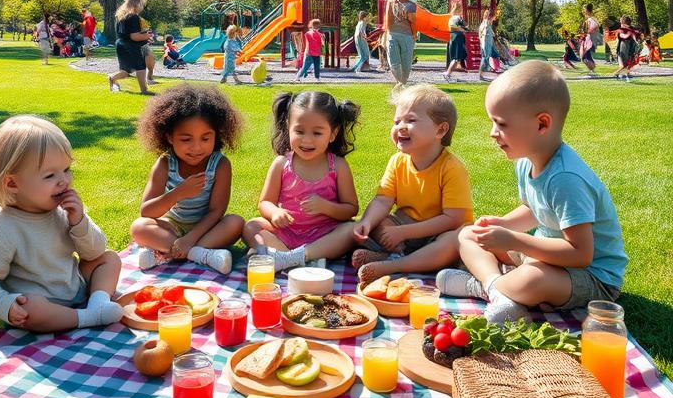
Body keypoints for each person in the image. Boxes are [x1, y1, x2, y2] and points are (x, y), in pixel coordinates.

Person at [437, 61, 626, 324]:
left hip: (591, 277)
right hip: (546, 257)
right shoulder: (527, 160)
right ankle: (498, 289)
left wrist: (514, 241)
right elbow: (534, 209)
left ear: (541, 125)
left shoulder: (566, 178)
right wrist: (503, 225)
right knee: (468, 234)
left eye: (501, 124)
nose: (493, 133)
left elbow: (581, 254)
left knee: (533, 278)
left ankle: (483, 286)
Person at [0, 115, 123, 331]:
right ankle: (89, 317)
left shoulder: (64, 210)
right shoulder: (3, 229)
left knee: (109, 259)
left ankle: (98, 303)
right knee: (32, 308)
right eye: (50, 175)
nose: (63, 180)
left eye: (67, 170)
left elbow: (94, 252)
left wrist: (79, 222)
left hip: (75, 286)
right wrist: (7, 306)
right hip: (45, 306)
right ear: (12, 183)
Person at [351, 84, 473, 287]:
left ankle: (393, 264)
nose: (400, 127)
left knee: (456, 239)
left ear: (440, 130)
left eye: (411, 120)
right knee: (377, 224)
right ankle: (388, 255)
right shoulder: (397, 161)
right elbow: (383, 200)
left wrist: (405, 233)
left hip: (437, 234)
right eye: (396, 121)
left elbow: (454, 219)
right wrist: (367, 221)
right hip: (403, 231)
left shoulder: (451, 168)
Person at [131, 83, 245, 274]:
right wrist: (178, 193)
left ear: (216, 136)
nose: (196, 148)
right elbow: (147, 211)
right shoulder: (165, 163)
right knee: (139, 228)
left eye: (205, 139)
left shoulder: (220, 165)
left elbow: (217, 212)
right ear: (169, 137)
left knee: (235, 222)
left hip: (207, 229)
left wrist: (190, 239)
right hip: (172, 227)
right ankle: (200, 255)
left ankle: (166, 253)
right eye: (186, 139)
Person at [243, 90, 361, 271]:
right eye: (299, 131)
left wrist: (326, 207)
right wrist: (274, 213)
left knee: (352, 230)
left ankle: (290, 258)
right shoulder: (282, 164)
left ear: (333, 133)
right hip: (286, 233)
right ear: (288, 127)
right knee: (251, 226)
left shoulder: (338, 166)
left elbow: (351, 209)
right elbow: (265, 202)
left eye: (317, 133)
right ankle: (292, 258)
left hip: (323, 236)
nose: (307, 140)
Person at [109, 0, 151, 94]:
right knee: (140, 66)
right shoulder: (134, 17)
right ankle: (144, 90)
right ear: (136, 4)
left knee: (126, 71)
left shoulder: (120, 15)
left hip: (120, 44)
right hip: (131, 45)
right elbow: (134, 36)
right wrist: (147, 36)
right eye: (141, 4)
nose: (142, 7)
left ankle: (112, 78)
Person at [383, 0, 417, 86]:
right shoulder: (408, 4)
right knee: (401, 61)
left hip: (398, 34)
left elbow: (387, 19)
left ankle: (400, 83)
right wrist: (414, 34)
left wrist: (387, 33)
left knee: (398, 61)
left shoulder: (407, 4)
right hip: (402, 35)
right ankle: (401, 83)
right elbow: (412, 22)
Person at [442, 2, 467, 83]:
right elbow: (452, 27)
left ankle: (449, 73)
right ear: (459, 9)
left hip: (455, 37)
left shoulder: (454, 17)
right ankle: (447, 73)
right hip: (457, 37)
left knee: (457, 58)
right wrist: (461, 29)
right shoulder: (456, 18)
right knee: (456, 58)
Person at [613, 16, 639, 82]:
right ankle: (625, 74)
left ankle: (617, 73)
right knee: (625, 63)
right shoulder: (631, 29)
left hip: (625, 47)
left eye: (621, 22)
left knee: (623, 64)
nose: (620, 24)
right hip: (627, 48)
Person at [477, 7, 500, 77]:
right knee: (485, 58)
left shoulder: (488, 24)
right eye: (493, 17)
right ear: (490, 17)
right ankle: (481, 74)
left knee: (496, 55)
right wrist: (483, 45)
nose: (494, 19)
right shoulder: (485, 24)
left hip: (490, 43)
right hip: (486, 43)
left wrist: (493, 35)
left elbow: (490, 33)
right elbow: (483, 34)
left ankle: (495, 69)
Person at [580, 2, 600, 76]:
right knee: (585, 57)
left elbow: (595, 26)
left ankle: (593, 71)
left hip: (590, 40)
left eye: (583, 9)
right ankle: (592, 71)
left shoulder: (591, 19)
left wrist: (587, 32)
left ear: (587, 10)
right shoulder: (589, 19)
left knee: (584, 57)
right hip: (587, 40)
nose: (583, 11)